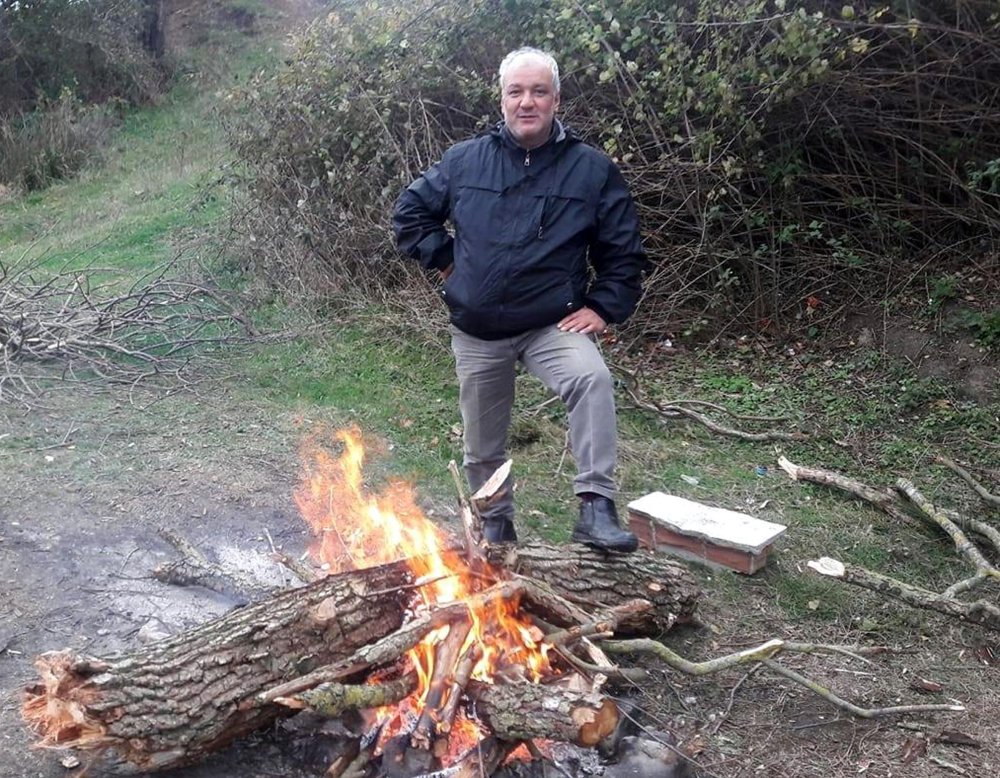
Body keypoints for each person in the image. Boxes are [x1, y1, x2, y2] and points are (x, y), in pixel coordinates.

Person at [393, 46, 645, 552]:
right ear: (502, 99)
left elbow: (624, 250)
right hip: (479, 325)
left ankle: (596, 508)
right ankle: (496, 522)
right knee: (482, 439)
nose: (527, 102)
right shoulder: (464, 161)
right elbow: (410, 213)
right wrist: (449, 262)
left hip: (550, 323)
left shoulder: (591, 169)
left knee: (591, 379)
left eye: (539, 91)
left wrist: (603, 305)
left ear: (556, 99)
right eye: (516, 92)